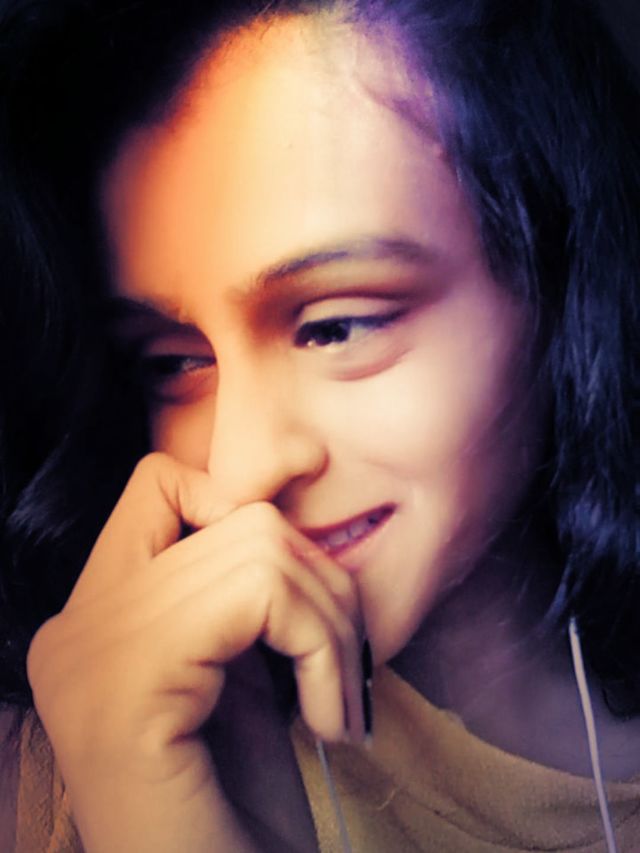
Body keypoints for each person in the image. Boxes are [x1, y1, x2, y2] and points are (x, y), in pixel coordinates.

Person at [1, 0, 638, 850]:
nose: (239, 469)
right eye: (174, 362)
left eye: (335, 327)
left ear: (559, 271)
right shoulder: (71, 758)